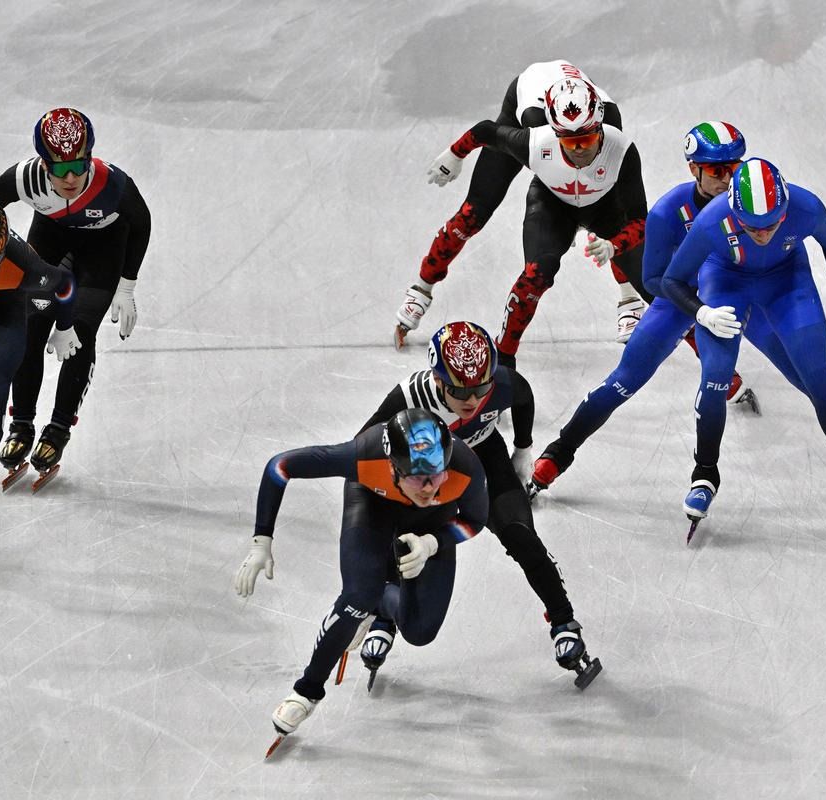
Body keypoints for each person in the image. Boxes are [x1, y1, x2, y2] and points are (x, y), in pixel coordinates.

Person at [660, 157, 826, 533]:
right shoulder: (711, 220)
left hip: (787, 280)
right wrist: (701, 312)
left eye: (771, 225)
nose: (762, 235)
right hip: (726, 283)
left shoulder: (807, 206)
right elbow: (671, 280)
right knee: (715, 376)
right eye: (751, 227)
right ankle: (704, 473)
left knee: (817, 374)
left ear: (785, 209)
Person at [357, 320, 600, 687]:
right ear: (437, 379)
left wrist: (523, 449)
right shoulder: (409, 397)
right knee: (405, 539)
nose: (471, 401)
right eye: (459, 390)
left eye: (480, 389)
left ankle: (564, 621)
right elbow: (362, 445)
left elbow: (523, 396)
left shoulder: (501, 383)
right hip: (432, 474)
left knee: (520, 535)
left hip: (485, 459)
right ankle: (384, 614)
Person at [233, 408, 488, 748]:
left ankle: (382, 605)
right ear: (393, 466)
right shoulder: (363, 456)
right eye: (417, 477)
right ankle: (306, 691)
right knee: (358, 597)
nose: (428, 487)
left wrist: (432, 543)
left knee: (420, 631)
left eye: (437, 475)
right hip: (372, 502)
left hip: (432, 522)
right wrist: (261, 541)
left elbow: (475, 520)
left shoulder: (465, 468)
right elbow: (280, 466)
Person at [396, 60, 643, 350]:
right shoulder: (535, 134)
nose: (578, 149)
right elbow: (486, 131)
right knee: (474, 211)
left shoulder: (612, 130)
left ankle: (629, 298)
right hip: (525, 112)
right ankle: (421, 288)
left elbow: (627, 212)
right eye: (568, 142)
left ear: (599, 130)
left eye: (586, 140)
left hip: (570, 117)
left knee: (613, 209)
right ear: (555, 132)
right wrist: (455, 154)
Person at [0, 108, 151, 481]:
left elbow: (142, 223)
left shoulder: (113, 184)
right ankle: (21, 424)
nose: (71, 178)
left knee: (80, 332)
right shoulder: (23, 178)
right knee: (30, 327)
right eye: (60, 170)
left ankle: (58, 428)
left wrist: (127, 285)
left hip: (103, 250)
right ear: (44, 166)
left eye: (79, 166)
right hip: (51, 240)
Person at [0, 199, 80, 493]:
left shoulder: (25, 265)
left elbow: (65, 284)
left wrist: (64, 326)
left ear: (3, 253)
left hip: (1, 313)